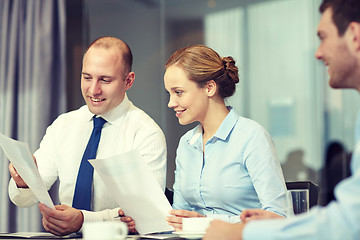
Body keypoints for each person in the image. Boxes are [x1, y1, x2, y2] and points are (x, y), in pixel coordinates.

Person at [203, 0, 360, 239]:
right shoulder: (186, 144)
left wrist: (245, 232)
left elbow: (349, 222)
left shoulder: (251, 135)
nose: (318, 53)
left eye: (323, 37)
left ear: (354, 36)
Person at [8, 37, 167, 236]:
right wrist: (23, 181)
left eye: (105, 80)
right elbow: (23, 200)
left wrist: (83, 221)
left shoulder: (145, 134)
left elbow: (146, 216)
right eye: (87, 77)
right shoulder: (63, 125)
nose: (93, 90)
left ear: (128, 81)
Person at [163, 45, 289, 231]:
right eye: (169, 94)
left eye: (178, 92)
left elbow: (280, 216)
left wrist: (206, 223)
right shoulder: (186, 144)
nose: (171, 103)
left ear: (209, 88)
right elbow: (180, 213)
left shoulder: (251, 137)